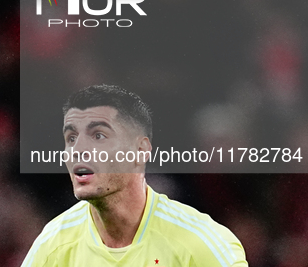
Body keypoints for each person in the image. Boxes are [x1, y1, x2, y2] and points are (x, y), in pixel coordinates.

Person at [22, 84, 247, 266]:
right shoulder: (53, 246)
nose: (78, 150)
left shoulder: (201, 244)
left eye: (98, 135)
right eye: (71, 138)